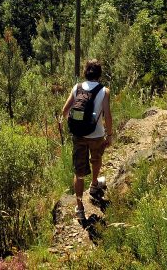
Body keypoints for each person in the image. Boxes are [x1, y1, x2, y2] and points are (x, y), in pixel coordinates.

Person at [59, 59, 112, 218]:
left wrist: (75, 124)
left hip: (79, 136)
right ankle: (94, 184)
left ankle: (80, 208)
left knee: (79, 172)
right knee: (96, 159)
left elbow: (64, 111)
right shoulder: (104, 91)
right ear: (99, 73)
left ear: (85, 72)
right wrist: (109, 135)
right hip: (96, 135)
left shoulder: (77, 88)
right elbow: (107, 116)